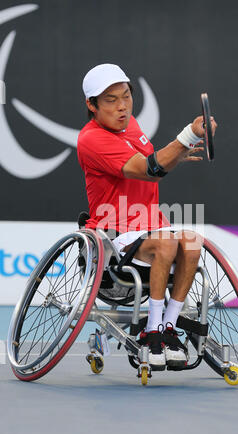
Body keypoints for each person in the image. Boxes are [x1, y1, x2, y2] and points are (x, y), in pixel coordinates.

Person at [77, 63, 217, 371]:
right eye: (111, 100)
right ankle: (151, 330)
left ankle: (167, 329)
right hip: (114, 233)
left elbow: (152, 175)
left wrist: (180, 151)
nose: (122, 106)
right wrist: (188, 135)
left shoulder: (132, 126)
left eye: (126, 96)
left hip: (151, 226)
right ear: (92, 105)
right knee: (167, 244)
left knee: (193, 242)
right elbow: (151, 168)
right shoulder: (92, 140)